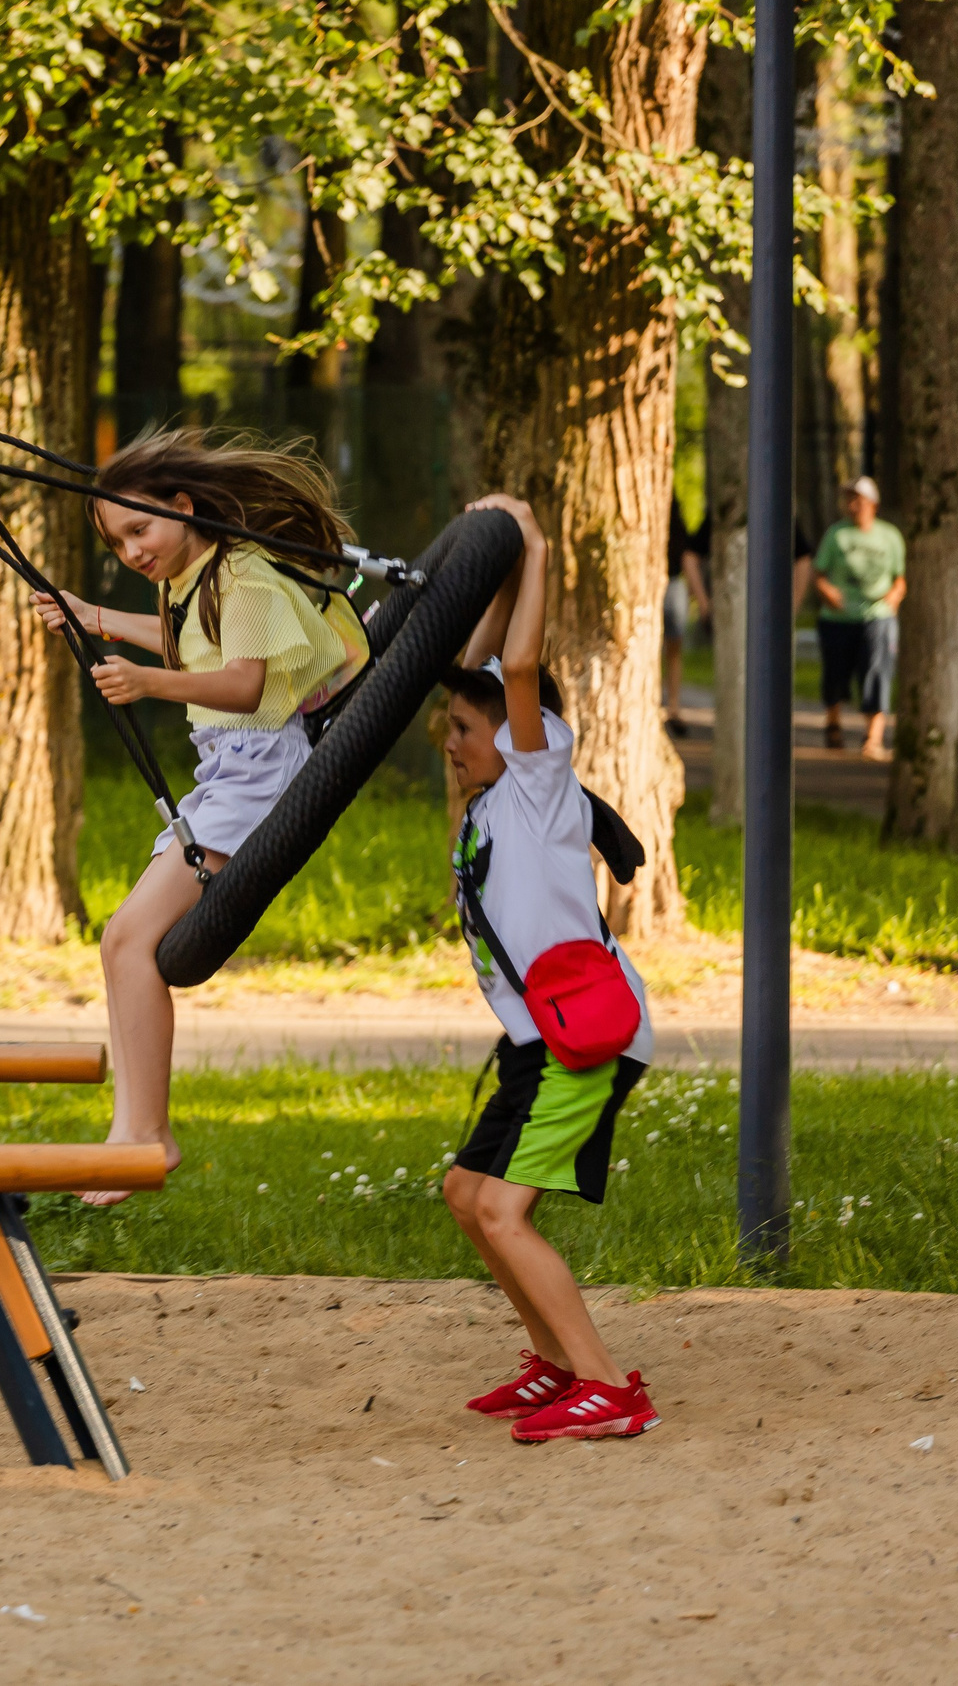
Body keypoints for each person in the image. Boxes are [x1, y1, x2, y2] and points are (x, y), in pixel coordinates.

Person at [32, 429, 367, 1207]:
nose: (132, 551)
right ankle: (134, 1127)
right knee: (122, 940)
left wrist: (148, 683)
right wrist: (93, 615)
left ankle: (146, 1132)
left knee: (130, 938)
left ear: (183, 505)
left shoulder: (243, 574)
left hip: (258, 774)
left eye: (140, 529)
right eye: (118, 543)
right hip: (227, 774)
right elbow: (194, 643)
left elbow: (243, 684)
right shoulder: (203, 579)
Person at [438, 494, 659, 1443]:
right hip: (537, 1041)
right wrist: (490, 576)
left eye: (463, 729)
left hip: (583, 1039)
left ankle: (608, 1386)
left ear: (515, 736)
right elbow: (484, 662)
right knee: (466, 1196)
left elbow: (516, 669)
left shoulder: (536, 781)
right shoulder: (492, 799)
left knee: (502, 1209)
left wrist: (532, 546)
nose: (449, 741)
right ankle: (558, 1365)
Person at [811, 476, 905, 759]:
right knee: (835, 675)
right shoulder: (836, 535)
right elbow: (819, 573)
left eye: (859, 499)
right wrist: (827, 592)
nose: (853, 505)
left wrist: (893, 597)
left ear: (873, 504)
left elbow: (900, 578)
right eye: (849, 499)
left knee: (876, 673)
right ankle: (833, 726)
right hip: (838, 618)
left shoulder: (889, 536)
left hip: (877, 616)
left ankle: (873, 738)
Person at [660, 505, 710, 739]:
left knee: (673, 647)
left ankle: (672, 706)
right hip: (669, 584)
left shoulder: (673, 510)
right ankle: (668, 706)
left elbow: (686, 553)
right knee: (669, 650)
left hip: (672, 583)